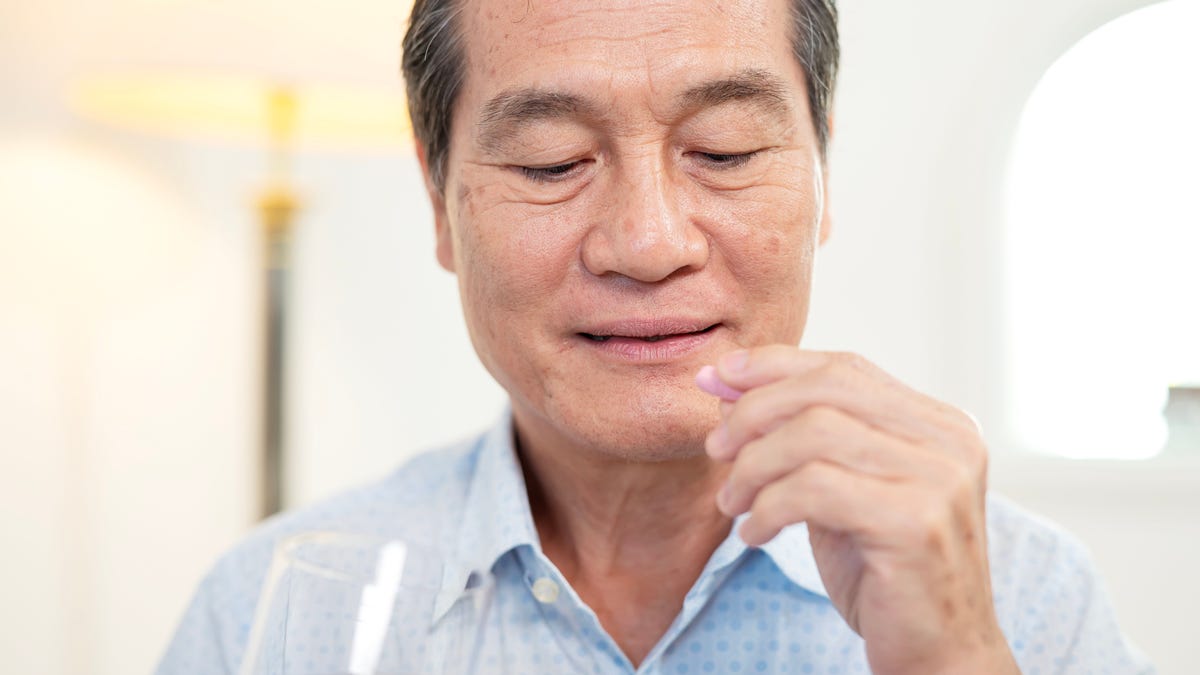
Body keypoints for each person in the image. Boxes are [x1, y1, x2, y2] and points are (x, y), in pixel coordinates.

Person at [157, 0, 1154, 673]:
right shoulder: (277, 611)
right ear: (436, 199)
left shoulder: (1017, 595)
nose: (647, 242)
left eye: (723, 151)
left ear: (822, 177)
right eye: (551, 163)